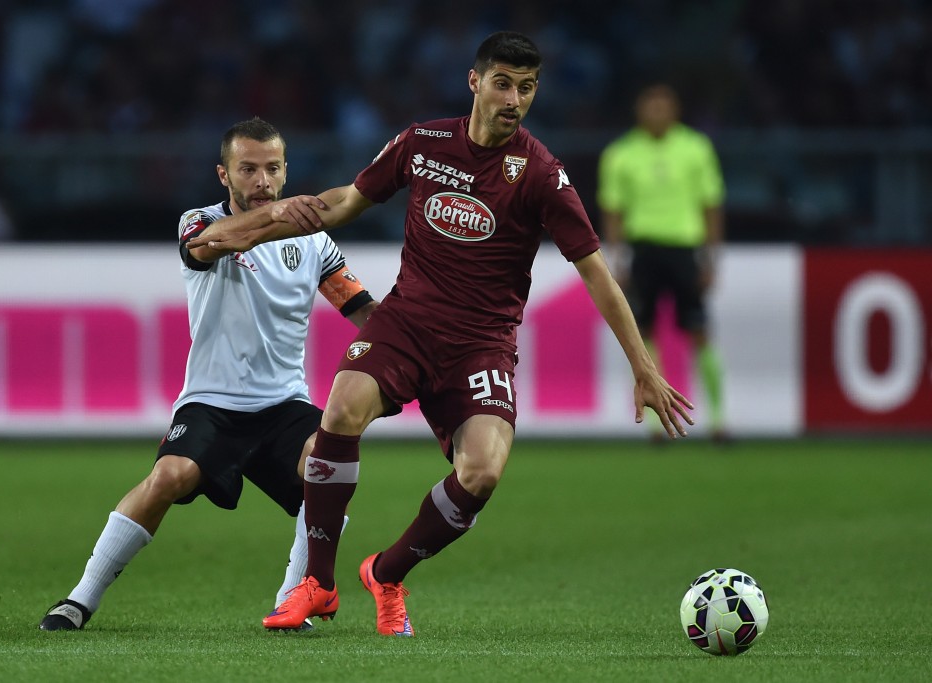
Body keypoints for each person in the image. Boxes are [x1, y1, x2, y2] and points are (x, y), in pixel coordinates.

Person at [187, 32, 693, 637]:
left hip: (481, 344)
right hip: (406, 322)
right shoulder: (423, 142)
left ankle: (388, 571)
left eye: (527, 88)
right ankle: (318, 583)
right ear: (475, 82)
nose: (514, 99)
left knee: (481, 472)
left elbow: (598, 275)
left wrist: (642, 365)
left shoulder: (540, 175)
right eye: (503, 83)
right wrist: (257, 225)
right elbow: (345, 201)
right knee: (342, 407)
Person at [38, 118, 378, 631]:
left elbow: (360, 309)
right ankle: (80, 599)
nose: (261, 181)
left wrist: (427, 335)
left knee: (325, 464)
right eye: (248, 169)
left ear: (286, 171)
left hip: (284, 403)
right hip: (211, 401)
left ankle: (291, 601)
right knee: (168, 477)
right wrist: (279, 217)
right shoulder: (198, 221)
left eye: (272, 169)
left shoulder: (315, 242)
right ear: (224, 175)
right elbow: (205, 247)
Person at [597, 84, 728, 441]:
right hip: (643, 251)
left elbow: (711, 204)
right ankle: (656, 426)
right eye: (650, 105)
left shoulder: (696, 148)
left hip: (685, 249)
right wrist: (618, 258)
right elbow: (612, 211)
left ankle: (719, 421)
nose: (657, 111)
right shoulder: (620, 153)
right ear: (640, 110)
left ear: (675, 109)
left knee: (699, 332)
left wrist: (711, 257)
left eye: (663, 105)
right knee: (644, 335)